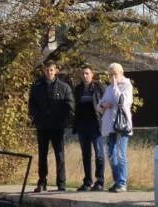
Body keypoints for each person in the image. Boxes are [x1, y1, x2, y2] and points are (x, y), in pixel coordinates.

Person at [27, 62, 74, 193]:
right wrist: (35, 118)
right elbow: (32, 105)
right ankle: (42, 182)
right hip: (42, 126)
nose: (49, 72)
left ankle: (61, 183)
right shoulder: (37, 86)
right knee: (42, 155)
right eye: (47, 70)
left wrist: (65, 121)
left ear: (56, 71)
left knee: (59, 154)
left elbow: (69, 106)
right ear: (44, 71)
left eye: (51, 70)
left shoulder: (64, 87)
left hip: (57, 126)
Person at [99, 62, 135, 193]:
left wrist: (115, 87)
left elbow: (123, 102)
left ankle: (122, 182)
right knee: (111, 154)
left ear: (121, 73)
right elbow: (100, 104)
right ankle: (117, 180)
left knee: (120, 154)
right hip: (110, 125)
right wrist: (103, 105)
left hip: (122, 125)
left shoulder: (127, 86)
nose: (112, 77)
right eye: (110, 74)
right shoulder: (109, 88)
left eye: (114, 74)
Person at [71, 66, 105, 192]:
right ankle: (87, 181)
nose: (85, 76)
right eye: (83, 73)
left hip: (96, 125)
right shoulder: (78, 89)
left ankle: (100, 181)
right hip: (82, 125)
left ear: (92, 74)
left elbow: (105, 104)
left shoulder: (99, 87)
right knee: (86, 154)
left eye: (87, 73)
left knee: (99, 154)